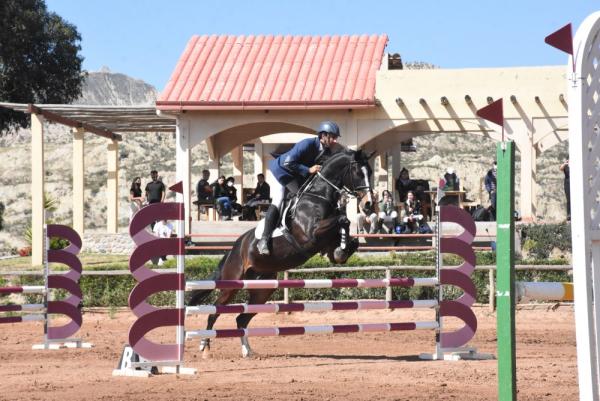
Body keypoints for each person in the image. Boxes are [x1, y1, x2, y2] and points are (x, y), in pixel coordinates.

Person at [257, 120, 341, 255]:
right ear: (323, 135)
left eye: (336, 137)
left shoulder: (327, 152)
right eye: (332, 137)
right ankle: (264, 239)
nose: (335, 140)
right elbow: (288, 162)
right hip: (281, 171)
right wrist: (308, 170)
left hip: (296, 175)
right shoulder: (307, 144)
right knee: (278, 200)